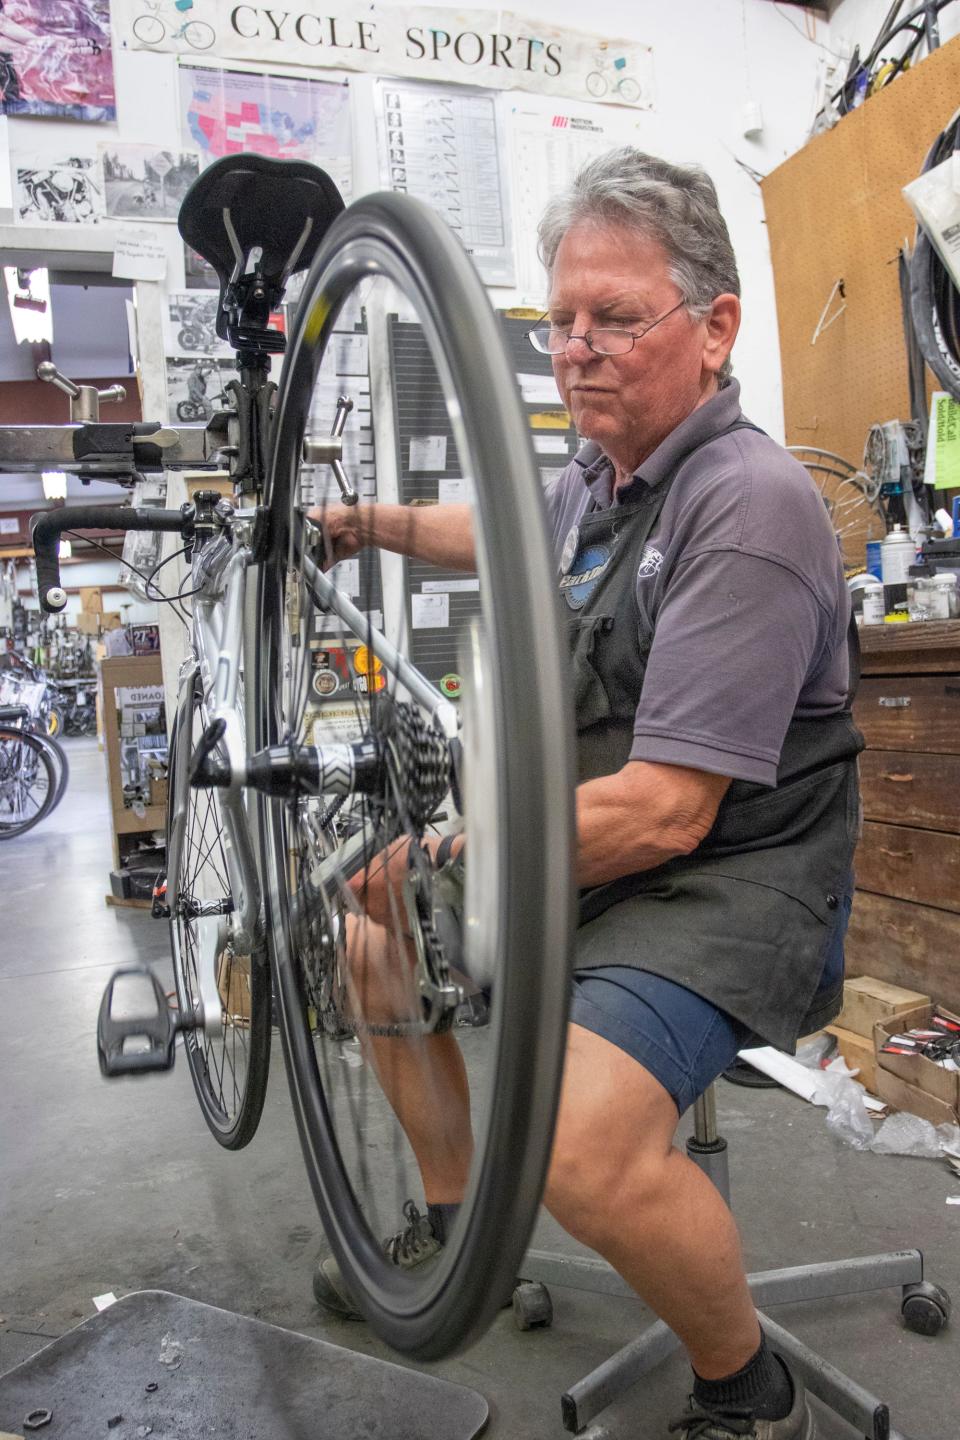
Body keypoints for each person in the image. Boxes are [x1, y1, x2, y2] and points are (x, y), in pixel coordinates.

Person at [309, 148, 862, 1440]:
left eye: (616, 319)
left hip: (731, 883)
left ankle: (748, 1387)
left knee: (573, 1143)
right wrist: (365, 524)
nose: (576, 351)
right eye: (560, 322)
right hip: (599, 859)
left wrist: (457, 853)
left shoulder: (748, 506)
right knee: (364, 936)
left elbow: (670, 811)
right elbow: (496, 528)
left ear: (716, 328)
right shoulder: (601, 487)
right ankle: (465, 1230)